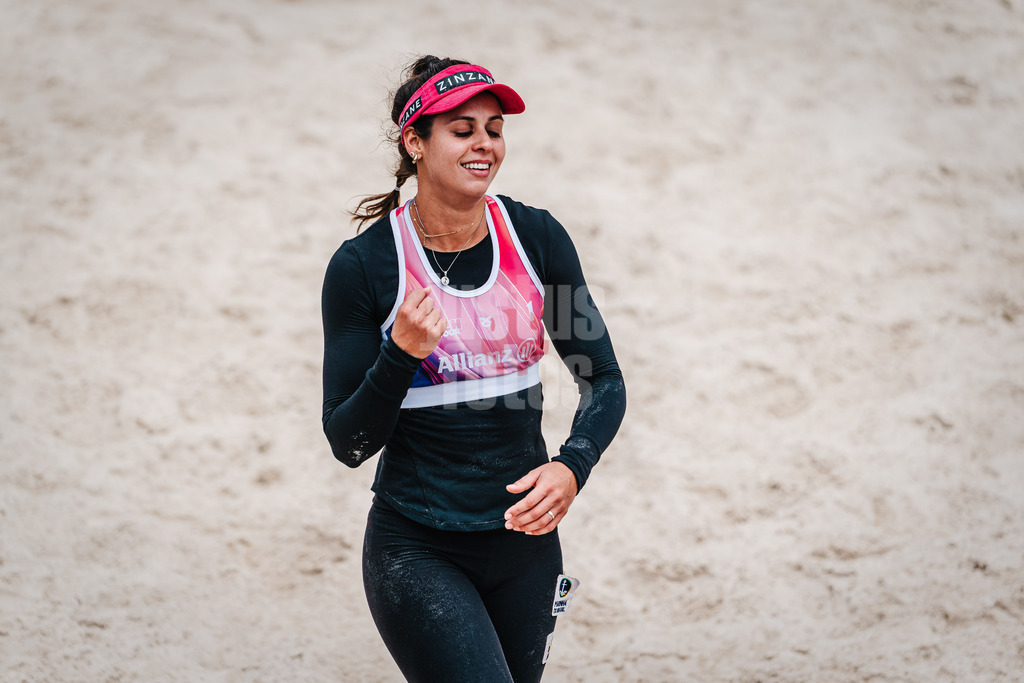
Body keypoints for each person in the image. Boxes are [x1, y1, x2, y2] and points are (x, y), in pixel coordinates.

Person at [321, 55, 626, 682]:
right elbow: (348, 442)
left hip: (526, 547)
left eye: (494, 128)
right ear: (416, 141)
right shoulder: (365, 268)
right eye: (462, 130)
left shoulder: (537, 240)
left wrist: (573, 466)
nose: (484, 143)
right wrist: (400, 354)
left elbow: (603, 379)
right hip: (418, 547)